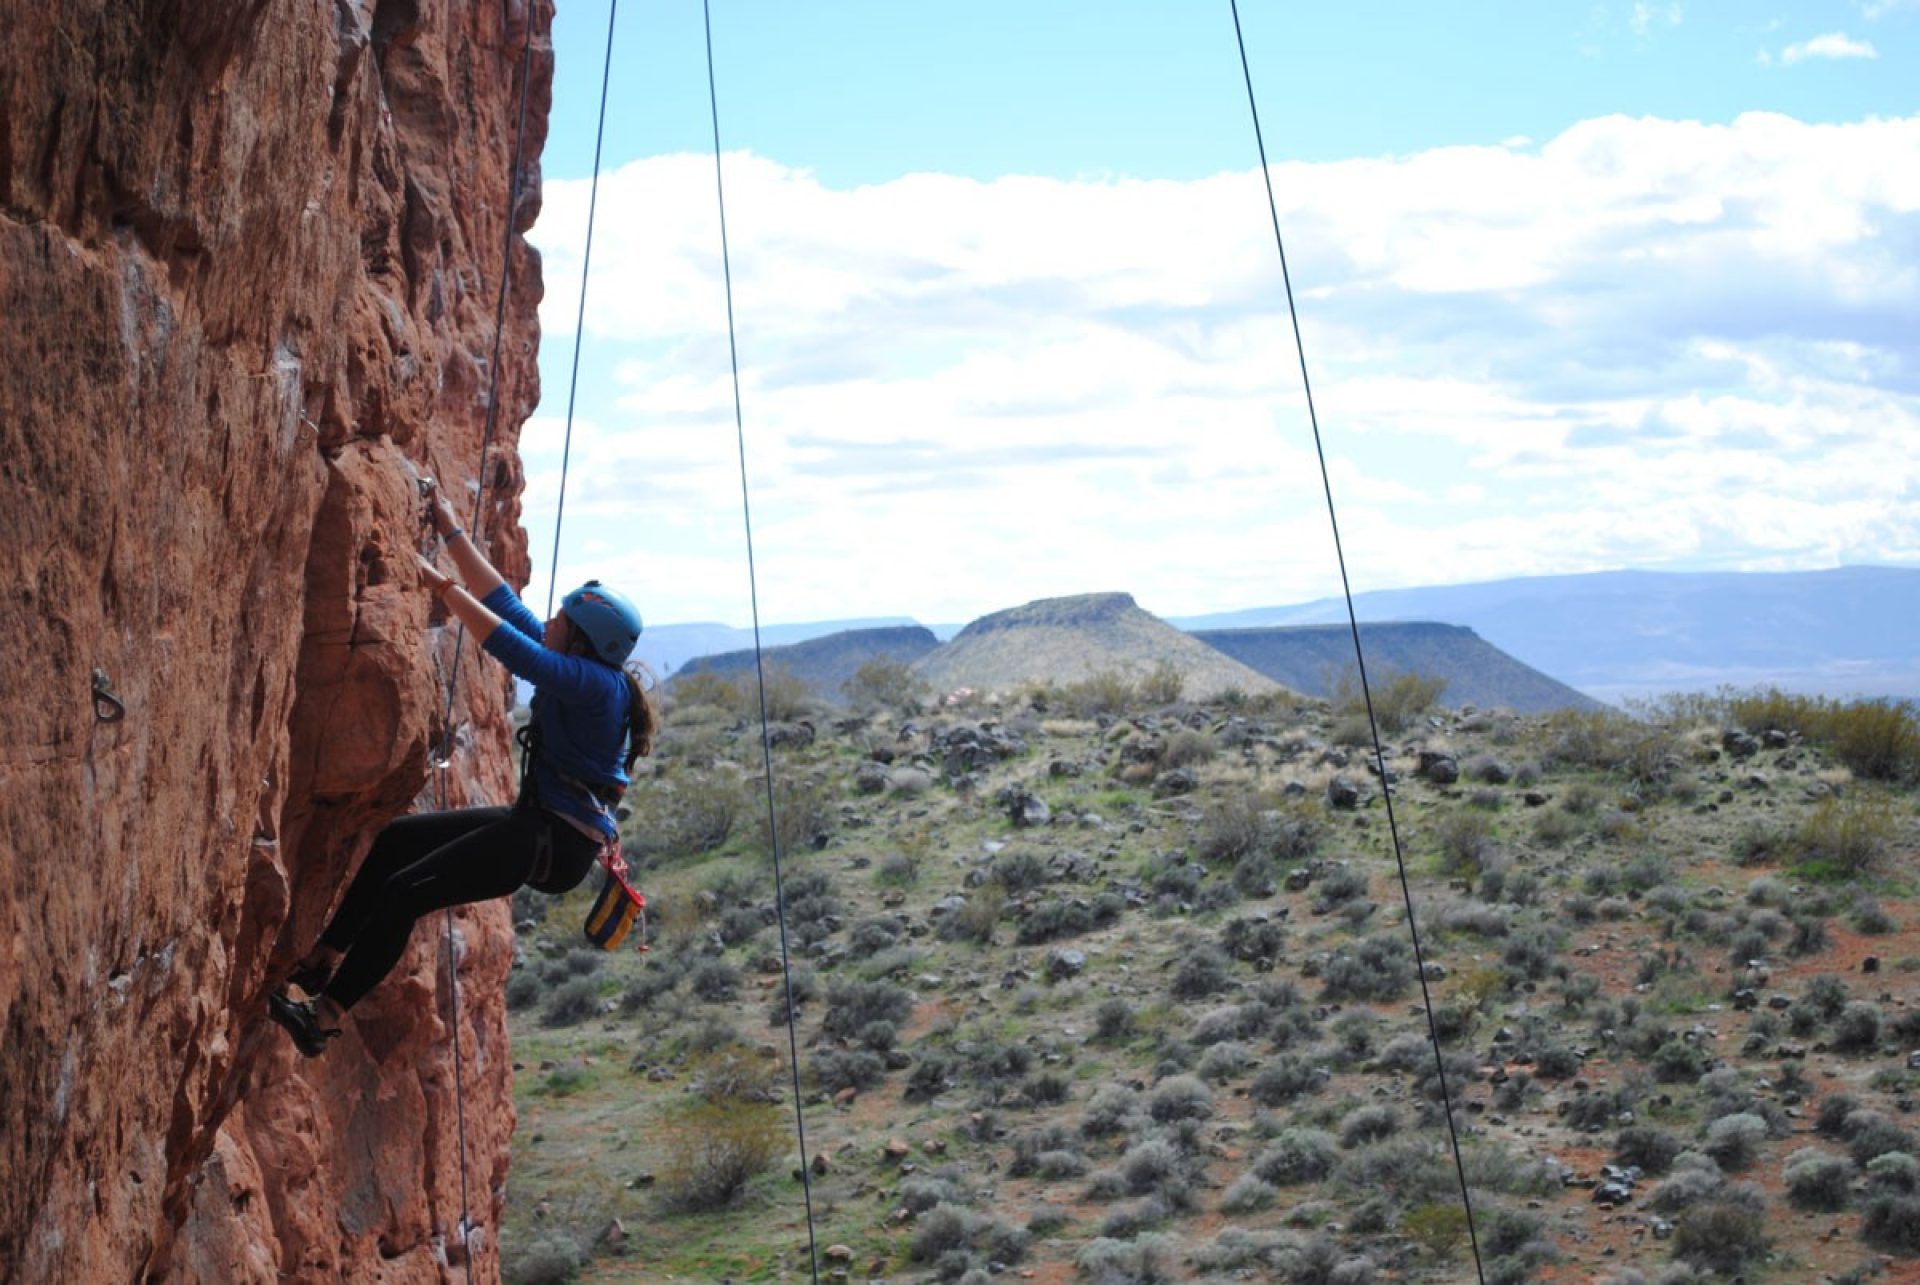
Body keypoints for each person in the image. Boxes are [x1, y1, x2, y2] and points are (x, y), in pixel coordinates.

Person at [268, 482, 656, 1057]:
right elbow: (508, 610)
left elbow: (511, 646)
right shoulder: (588, 670)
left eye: (561, 618)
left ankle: (321, 1019)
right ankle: (325, 958)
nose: (549, 619)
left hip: (550, 843)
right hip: (541, 828)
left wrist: (439, 585)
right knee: (399, 841)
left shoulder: (595, 687)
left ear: (581, 640)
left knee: (404, 893)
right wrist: (450, 529)